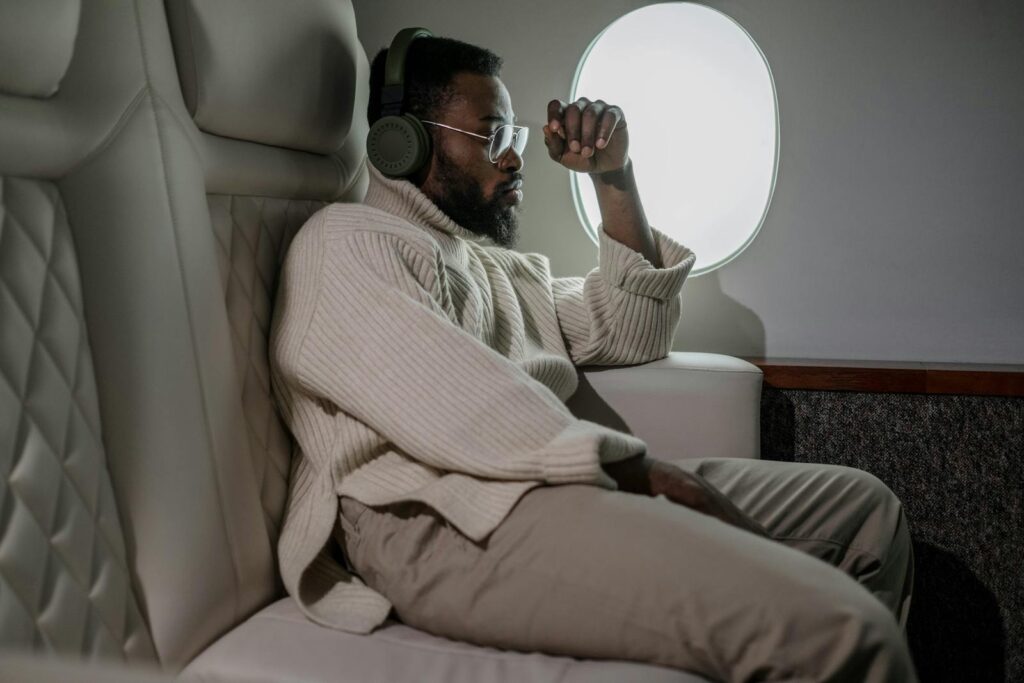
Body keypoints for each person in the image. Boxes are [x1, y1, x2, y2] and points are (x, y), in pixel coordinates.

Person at [269, 33, 917, 683]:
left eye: (514, 136)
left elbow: (635, 331)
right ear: (402, 142)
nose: (514, 159)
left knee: (865, 511)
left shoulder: (490, 268)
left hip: (536, 491)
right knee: (848, 633)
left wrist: (613, 175)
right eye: (492, 136)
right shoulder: (346, 244)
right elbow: (459, 403)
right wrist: (649, 475)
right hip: (430, 522)